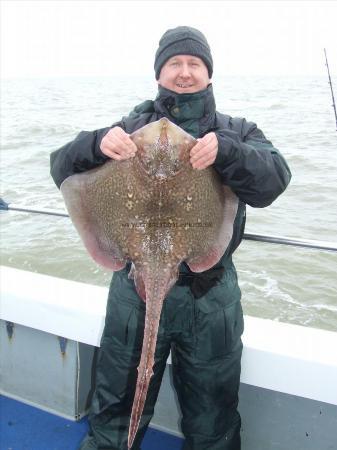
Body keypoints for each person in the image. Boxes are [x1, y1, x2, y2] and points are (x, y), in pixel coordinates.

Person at [50, 26, 291, 450]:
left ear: (209, 74)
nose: (184, 73)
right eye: (174, 64)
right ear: (159, 73)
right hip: (133, 287)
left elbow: (274, 180)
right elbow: (62, 167)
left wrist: (228, 152)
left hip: (210, 293)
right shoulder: (129, 127)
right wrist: (95, 145)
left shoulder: (235, 130)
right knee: (116, 408)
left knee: (213, 419)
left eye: (193, 64)